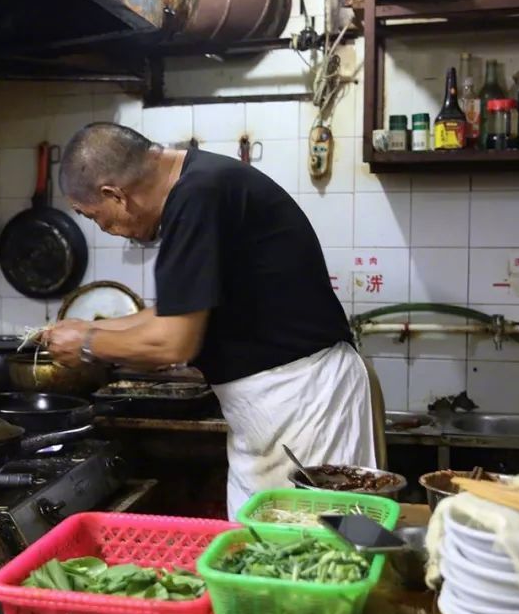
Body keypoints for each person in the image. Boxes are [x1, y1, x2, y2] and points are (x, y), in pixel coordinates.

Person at [43, 122, 376, 518]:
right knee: (262, 544)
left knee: (321, 543)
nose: (108, 230)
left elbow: (173, 342)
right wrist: (87, 328)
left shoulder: (199, 196)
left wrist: (86, 344)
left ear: (114, 194)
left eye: (98, 218)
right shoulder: (198, 186)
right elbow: (172, 312)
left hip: (305, 404)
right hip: (277, 409)